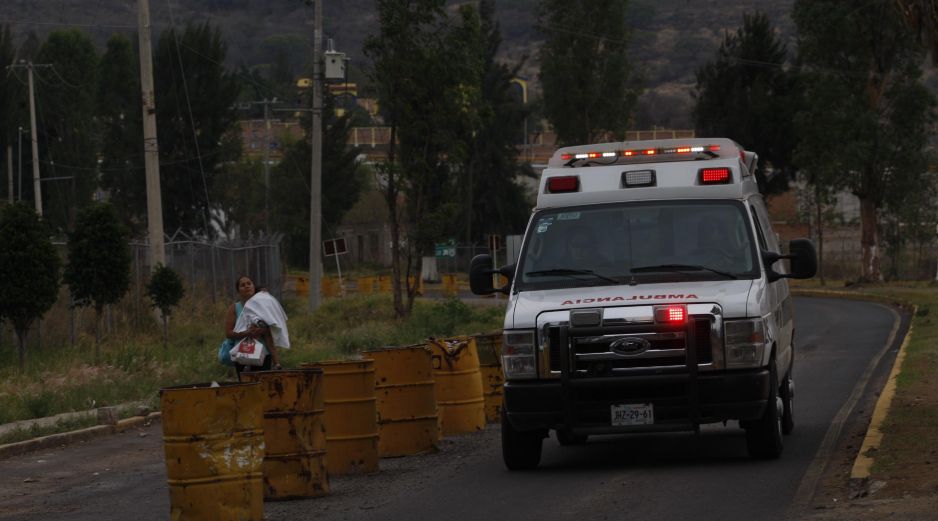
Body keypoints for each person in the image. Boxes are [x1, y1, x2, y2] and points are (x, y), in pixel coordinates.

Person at [225, 275, 282, 377]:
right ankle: (248, 365)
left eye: (249, 283)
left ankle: (276, 363)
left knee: (263, 388)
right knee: (246, 388)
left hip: (264, 356)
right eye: (243, 285)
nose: (247, 286)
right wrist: (247, 333)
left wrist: (263, 330)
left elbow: (270, 334)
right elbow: (228, 333)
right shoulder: (234, 308)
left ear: (254, 287)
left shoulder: (263, 305)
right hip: (243, 356)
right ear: (238, 291)